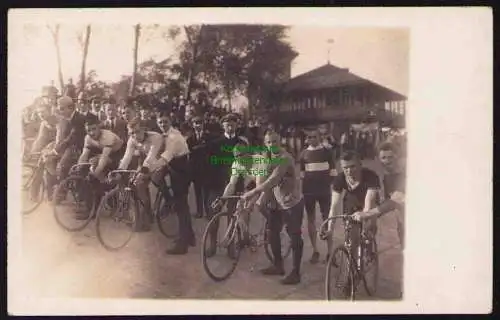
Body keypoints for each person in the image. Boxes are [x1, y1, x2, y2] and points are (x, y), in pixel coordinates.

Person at [241, 130, 305, 285]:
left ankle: (296, 273)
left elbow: (273, 179)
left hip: (291, 202)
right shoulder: (267, 157)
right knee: (272, 232)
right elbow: (261, 178)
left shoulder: (285, 158)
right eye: (268, 142)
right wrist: (256, 197)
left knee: (295, 236)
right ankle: (278, 265)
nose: (272, 145)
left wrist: (253, 192)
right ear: (265, 143)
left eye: (274, 142)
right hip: (276, 201)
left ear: (280, 141)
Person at [325, 150, 380, 262]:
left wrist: (365, 221)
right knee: (351, 240)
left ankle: (369, 247)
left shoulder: (371, 176)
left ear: (360, 164)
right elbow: (334, 206)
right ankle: (352, 268)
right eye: (345, 168)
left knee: (369, 228)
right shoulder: (339, 179)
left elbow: (369, 203)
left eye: (352, 166)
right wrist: (330, 229)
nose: (349, 171)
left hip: (369, 202)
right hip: (351, 203)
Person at [154, 111, 195, 255]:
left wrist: (151, 167)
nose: (162, 125)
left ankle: (182, 244)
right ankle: (190, 236)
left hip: (182, 168)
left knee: (181, 206)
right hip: (173, 165)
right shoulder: (161, 135)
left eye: (165, 122)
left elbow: (166, 156)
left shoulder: (173, 137)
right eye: (160, 122)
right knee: (156, 178)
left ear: (170, 122)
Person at [352, 142, 405, 249]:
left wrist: (368, 214)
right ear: (378, 159)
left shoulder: (405, 173)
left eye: (390, 157)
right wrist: (372, 219)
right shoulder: (387, 175)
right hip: (402, 222)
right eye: (384, 158)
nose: (387, 161)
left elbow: (394, 202)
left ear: (397, 156)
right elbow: (387, 201)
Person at [118, 118, 165, 232]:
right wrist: (120, 170)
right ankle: (143, 217)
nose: (134, 135)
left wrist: (143, 171)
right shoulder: (132, 140)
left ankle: (155, 209)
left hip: (161, 162)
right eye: (131, 133)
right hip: (146, 162)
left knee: (152, 184)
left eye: (137, 131)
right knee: (137, 184)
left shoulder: (156, 137)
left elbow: (151, 156)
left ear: (144, 129)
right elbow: (127, 157)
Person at [298, 128, 336, 264]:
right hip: (309, 191)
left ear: (320, 137)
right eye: (310, 137)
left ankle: (331, 252)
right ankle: (315, 250)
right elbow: (302, 175)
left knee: (328, 219)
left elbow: (333, 171)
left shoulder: (327, 152)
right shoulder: (303, 154)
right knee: (311, 219)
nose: (312, 139)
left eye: (315, 137)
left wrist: (327, 185)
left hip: (324, 191)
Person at [45, 96, 87, 186]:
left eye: (61, 109)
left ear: (71, 108)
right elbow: (64, 138)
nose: (60, 111)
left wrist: (55, 150)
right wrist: (54, 149)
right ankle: (56, 187)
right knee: (48, 160)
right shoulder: (67, 119)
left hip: (79, 148)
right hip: (70, 147)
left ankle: (61, 193)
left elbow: (71, 138)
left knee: (62, 166)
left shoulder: (79, 119)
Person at [186, 115, 215, 219]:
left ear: (203, 125)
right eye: (195, 123)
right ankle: (199, 212)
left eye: (200, 123)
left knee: (207, 192)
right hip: (195, 169)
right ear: (193, 125)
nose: (198, 125)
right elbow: (188, 152)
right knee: (197, 192)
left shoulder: (209, 137)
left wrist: (198, 148)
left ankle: (208, 213)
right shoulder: (190, 138)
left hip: (207, 168)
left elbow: (211, 150)